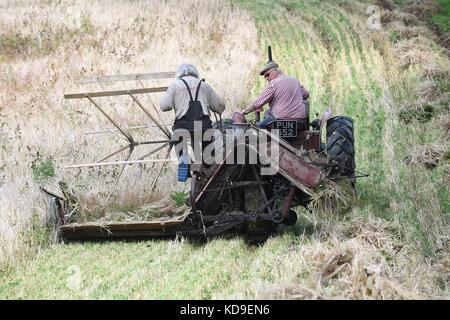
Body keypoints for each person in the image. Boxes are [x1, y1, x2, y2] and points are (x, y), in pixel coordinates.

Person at [159, 63, 225, 160]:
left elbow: (164, 106)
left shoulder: (175, 85)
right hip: (203, 127)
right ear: (195, 73)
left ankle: (183, 161)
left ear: (179, 74)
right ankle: (208, 168)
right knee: (208, 152)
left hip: (183, 127)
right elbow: (220, 107)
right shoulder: (204, 85)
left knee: (179, 140)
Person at [243, 61, 309, 129]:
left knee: (257, 128)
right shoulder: (294, 80)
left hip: (279, 123)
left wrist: (244, 112)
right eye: (265, 77)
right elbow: (306, 95)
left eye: (267, 75)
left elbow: (257, 103)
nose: (266, 78)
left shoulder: (274, 83)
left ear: (275, 71)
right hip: (299, 123)